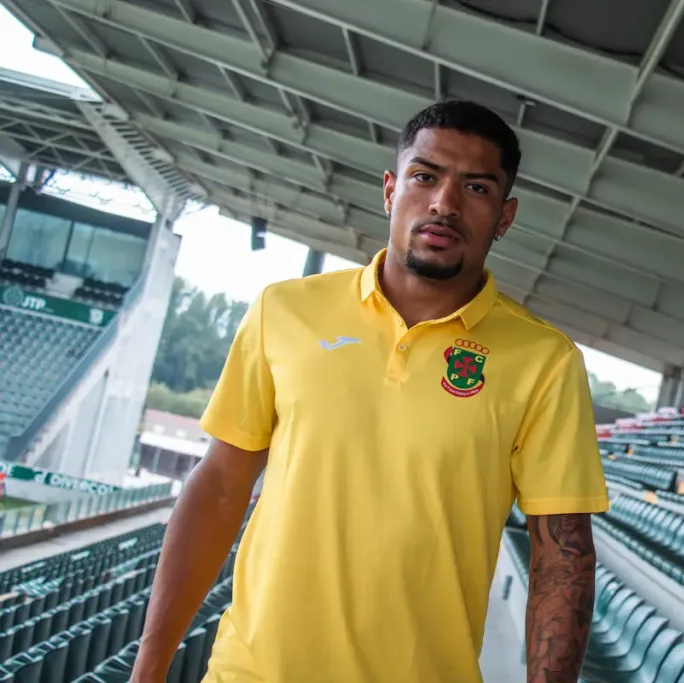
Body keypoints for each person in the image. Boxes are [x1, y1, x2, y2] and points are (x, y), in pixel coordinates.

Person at [129, 99, 609, 683]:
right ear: (390, 189)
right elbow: (221, 489)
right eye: (425, 176)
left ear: (504, 217)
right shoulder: (286, 311)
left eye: (476, 188)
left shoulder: (546, 362)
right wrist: (148, 668)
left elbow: (562, 557)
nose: (444, 203)